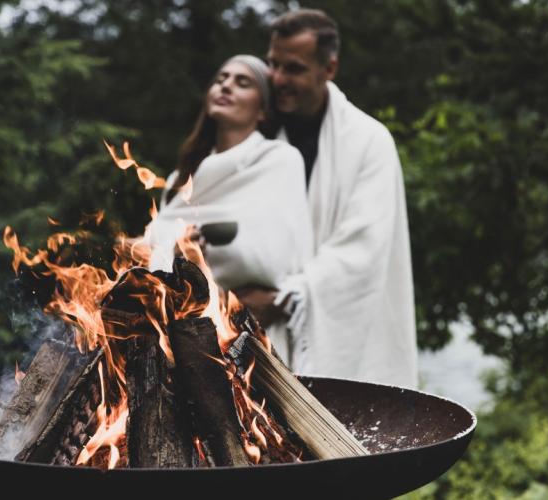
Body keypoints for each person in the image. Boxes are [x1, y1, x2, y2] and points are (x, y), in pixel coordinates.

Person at [235, 10, 418, 388]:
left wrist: (285, 297)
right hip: (258, 334)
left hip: (346, 337)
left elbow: (362, 249)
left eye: (294, 68)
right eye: (272, 64)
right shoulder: (259, 138)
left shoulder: (370, 141)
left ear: (329, 68)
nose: (278, 79)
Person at [148, 55, 312, 337]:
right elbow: (153, 253)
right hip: (186, 327)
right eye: (220, 80)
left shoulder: (279, 160)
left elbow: (279, 255)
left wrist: (220, 254)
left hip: (252, 329)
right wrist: (179, 253)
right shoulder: (181, 178)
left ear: (262, 110)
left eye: (242, 82)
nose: (226, 86)